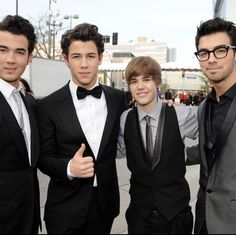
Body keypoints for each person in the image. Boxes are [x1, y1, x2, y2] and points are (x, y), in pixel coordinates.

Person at [36, 23, 128, 234]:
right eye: (76, 57)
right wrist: (69, 168)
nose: (84, 64)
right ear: (66, 59)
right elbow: (43, 157)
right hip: (64, 209)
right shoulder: (48, 105)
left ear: (101, 58)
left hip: (105, 206)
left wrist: (164, 107)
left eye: (91, 56)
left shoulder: (117, 99)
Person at [117, 56, 198, 234]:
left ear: (157, 82)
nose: (140, 86)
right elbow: (119, 151)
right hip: (139, 216)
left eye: (146, 79)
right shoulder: (125, 119)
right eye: (134, 81)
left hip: (176, 216)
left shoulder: (181, 115)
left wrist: (186, 155)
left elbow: (212, 139)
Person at [186, 17, 236, 234]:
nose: (211, 59)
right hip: (204, 220)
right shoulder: (203, 106)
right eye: (204, 53)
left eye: (220, 50)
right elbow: (211, 150)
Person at [0, 15, 40, 234]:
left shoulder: (29, 102)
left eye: (19, 52)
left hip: (28, 217)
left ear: (30, 57)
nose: (10, 59)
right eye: (3, 50)